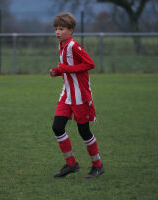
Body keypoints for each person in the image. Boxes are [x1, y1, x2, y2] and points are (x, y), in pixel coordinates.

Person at [49, 13, 104, 178]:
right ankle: (71, 164)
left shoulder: (74, 46)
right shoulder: (61, 45)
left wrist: (64, 69)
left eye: (62, 29)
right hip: (66, 94)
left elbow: (89, 64)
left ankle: (98, 165)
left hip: (80, 95)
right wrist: (58, 71)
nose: (58, 32)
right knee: (57, 127)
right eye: (56, 29)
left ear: (71, 30)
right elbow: (69, 68)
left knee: (84, 131)